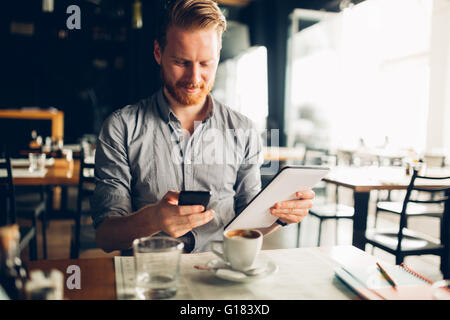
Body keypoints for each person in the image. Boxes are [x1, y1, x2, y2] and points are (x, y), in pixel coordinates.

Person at [91, 0, 315, 254]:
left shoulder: (243, 130)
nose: (194, 78)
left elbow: (247, 224)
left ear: (218, 56)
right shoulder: (120, 128)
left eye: (206, 63)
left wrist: (279, 214)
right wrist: (152, 219)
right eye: (181, 62)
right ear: (158, 53)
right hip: (152, 278)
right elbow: (106, 237)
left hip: (220, 273)